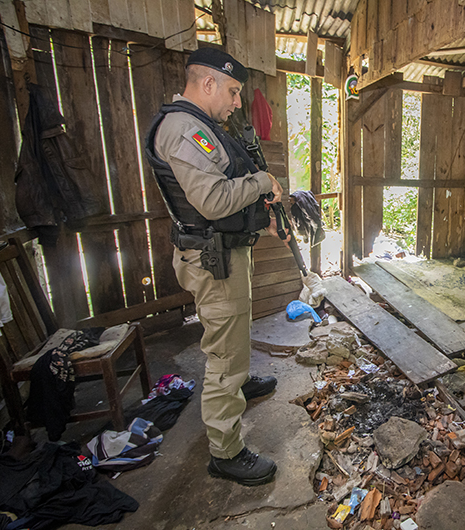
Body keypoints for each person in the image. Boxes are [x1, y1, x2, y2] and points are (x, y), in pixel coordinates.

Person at [144, 48, 283, 486]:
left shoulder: (200, 126)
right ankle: (226, 452)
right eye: (233, 91)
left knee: (233, 335)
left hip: (222, 253)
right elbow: (213, 199)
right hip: (212, 259)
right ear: (207, 84)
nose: (237, 102)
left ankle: (238, 385)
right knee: (224, 355)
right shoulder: (185, 129)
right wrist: (262, 181)